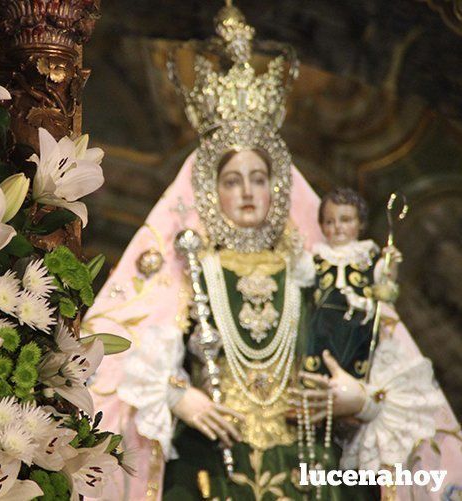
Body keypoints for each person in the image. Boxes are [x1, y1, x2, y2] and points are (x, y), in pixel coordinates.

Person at [82, 3, 462, 500]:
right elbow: (134, 357)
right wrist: (180, 397)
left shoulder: (317, 273)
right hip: (212, 469)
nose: (246, 193)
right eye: (232, 180)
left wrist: (362, 400)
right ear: (209, 190)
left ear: (278, 187)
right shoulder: (193, 273)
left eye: (258, 179)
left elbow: (381, 375)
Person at [304, 188, 401, 379]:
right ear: (322, 226)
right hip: (322, 330)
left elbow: (385, 282)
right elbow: (302, 276)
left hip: (358, 331)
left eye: (346, 220)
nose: (338, 227)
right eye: (330, 222)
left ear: (361, 223)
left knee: (357, 368)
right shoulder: (317, 258)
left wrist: (392, 263)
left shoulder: (368, 257)